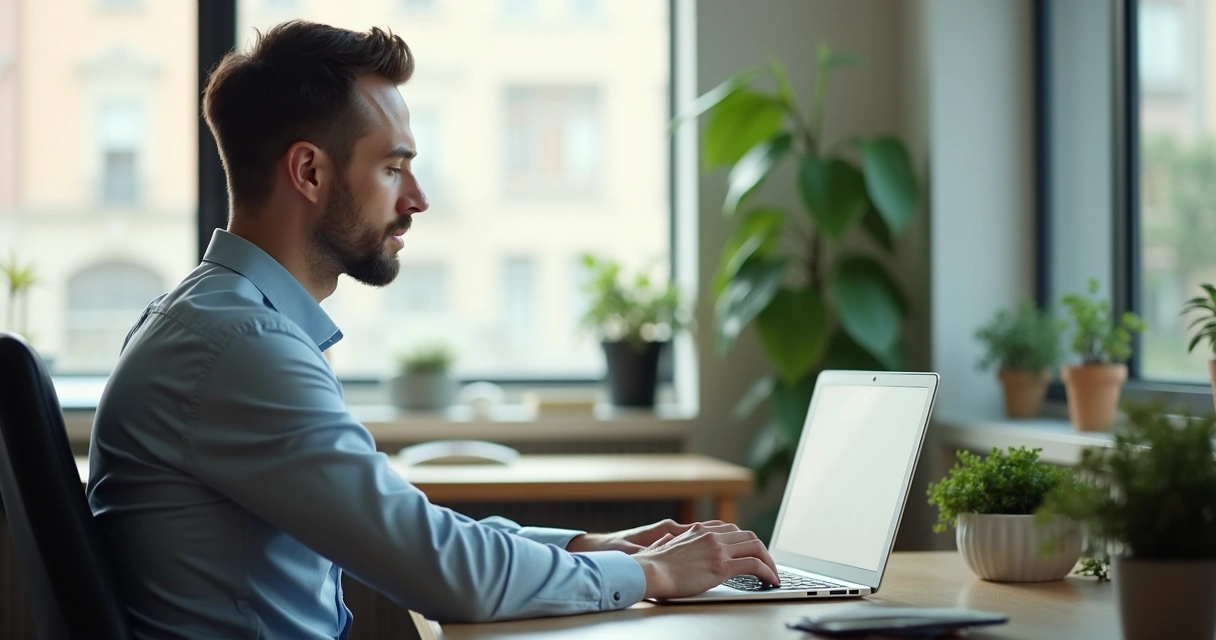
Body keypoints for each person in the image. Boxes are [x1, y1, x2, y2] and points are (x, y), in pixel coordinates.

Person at [86, 20, 779, 640]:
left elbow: (413, 535)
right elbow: (447, 577)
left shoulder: (217, 322)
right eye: (392, 168)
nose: (416, 199)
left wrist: (588, 549)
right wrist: (653, 576)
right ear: (309, 172)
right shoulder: (239, 346)